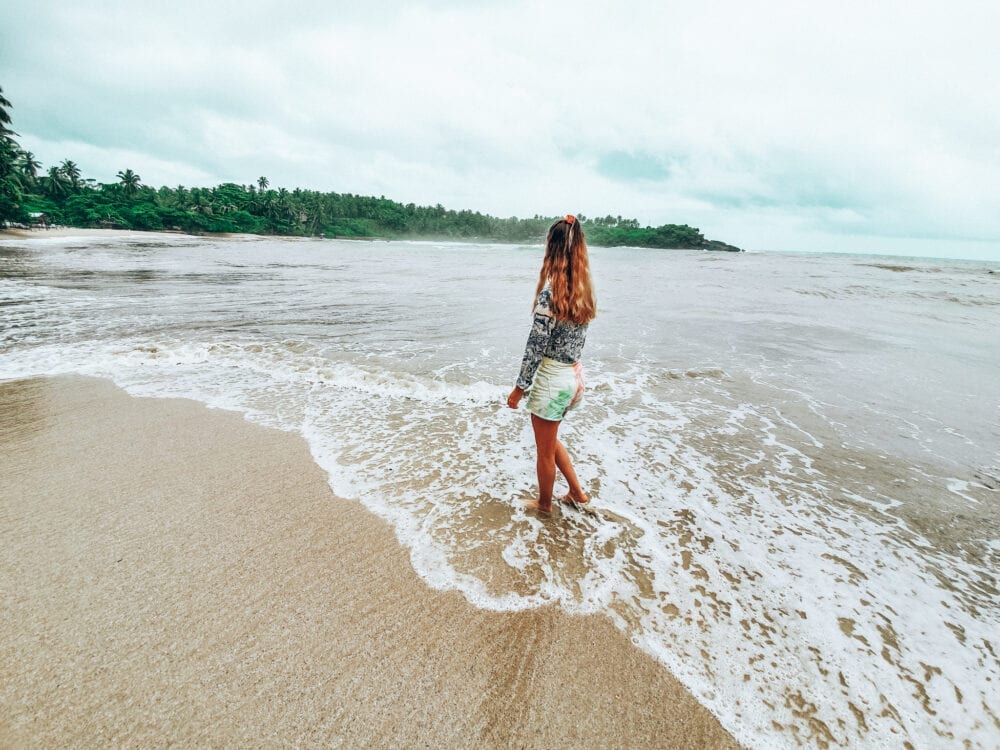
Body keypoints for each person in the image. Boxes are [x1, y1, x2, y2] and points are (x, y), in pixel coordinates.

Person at [507, 214, 597, 512]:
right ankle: (577, 493)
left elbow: (535, 347)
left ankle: (544, 505)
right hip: (573, 377)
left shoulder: (550, 296)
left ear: (552, 249)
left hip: (552, 380)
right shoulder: (582, 293)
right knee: (550, 440)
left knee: (544, 452)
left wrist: (519, 389)